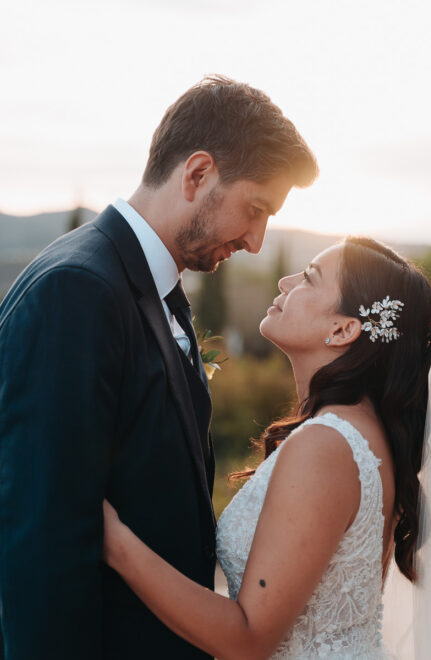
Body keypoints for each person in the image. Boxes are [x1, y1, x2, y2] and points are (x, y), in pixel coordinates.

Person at [0, 76, 317, 660]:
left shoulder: (150, 285)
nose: (255, 240)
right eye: (255, 209)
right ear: (197, 174)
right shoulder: (79, 291)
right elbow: (43, 548)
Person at [102, 236, 431, 659]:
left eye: (309, 278)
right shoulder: (363, 430)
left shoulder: (326, 444)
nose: (284, 281)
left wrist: (113, 541)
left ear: (342, 329)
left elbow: (249, 640)